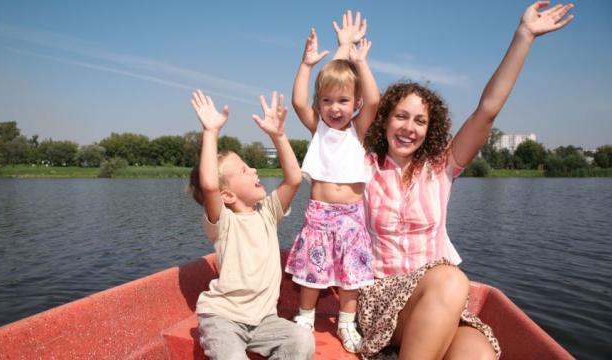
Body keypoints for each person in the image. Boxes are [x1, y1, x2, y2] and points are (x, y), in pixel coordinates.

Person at [357, 2, 574, 359]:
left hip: (438, 301)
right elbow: (361, 108)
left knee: (479, 352)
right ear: (385, 121)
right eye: (401, 116)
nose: (409, 128)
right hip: (380, 298)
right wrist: (357, 61)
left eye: (420, 121)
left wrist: (524, 37)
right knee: (452, 278)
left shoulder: (441, 168)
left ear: (430, 129)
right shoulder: (366, 166)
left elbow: (487, 110)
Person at [189, 89, 314, 360]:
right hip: (223, 318)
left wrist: (279, 136)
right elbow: (209, 185)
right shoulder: (223, 223)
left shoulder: (267, 212)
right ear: (228, 196)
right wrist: (210, 132)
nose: (255, 170)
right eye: (245, 170)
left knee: (302, 340)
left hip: (264, 321)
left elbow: (293, 179)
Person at [284, 10, 379, 353]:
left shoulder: (360, 131)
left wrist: (359, 60)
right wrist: (306, 64)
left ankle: (346, 325)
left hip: (352, 217)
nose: (335, 108)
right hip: (319, 214)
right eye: (326, 101)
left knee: (351, 277)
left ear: (356, 105)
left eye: (343, 101)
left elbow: (375, 99)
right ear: (319, 105)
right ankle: (305, 319)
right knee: (313, 271)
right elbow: (298, 100)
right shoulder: (319, 129)